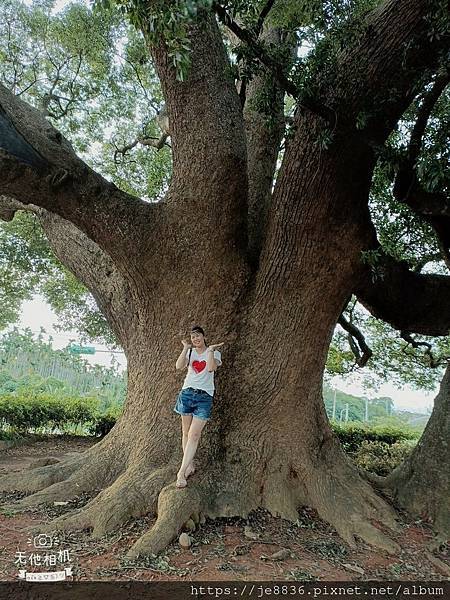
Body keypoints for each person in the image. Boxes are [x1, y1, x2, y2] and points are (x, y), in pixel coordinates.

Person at [174, 325, 223, 488]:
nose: (195, 339)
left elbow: (210, 368)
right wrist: (185, 348)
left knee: (194, 435)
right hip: (187, 393)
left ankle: (181, 472)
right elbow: (179, 366)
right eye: (193, 337)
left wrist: (210, 350)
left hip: (204, 397)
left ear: (203, 336)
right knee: (185, 433)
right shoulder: (190, 352)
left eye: (198, 336)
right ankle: (189, 465)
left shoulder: (214, 353)